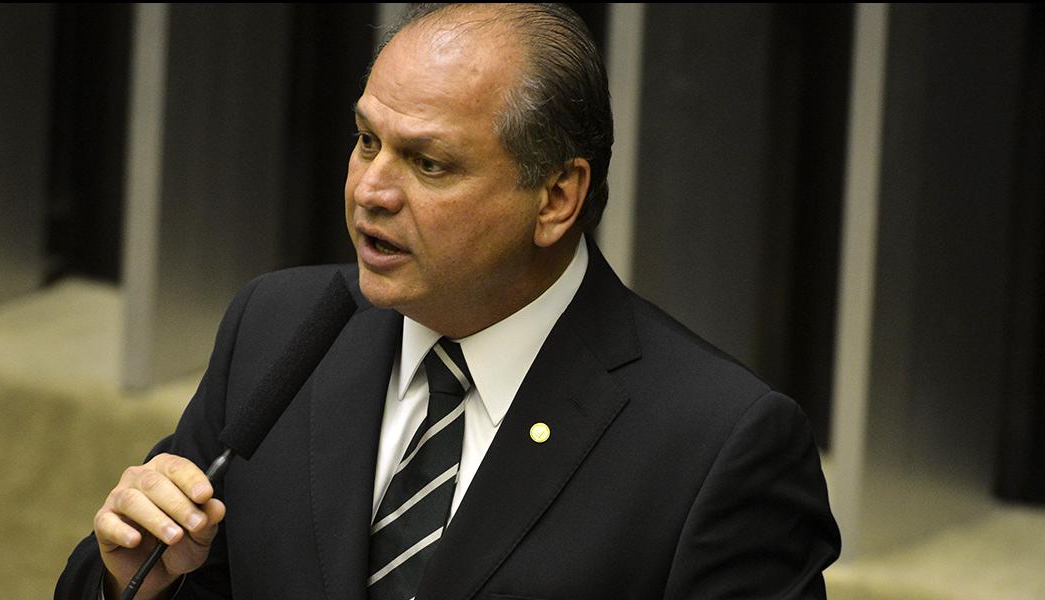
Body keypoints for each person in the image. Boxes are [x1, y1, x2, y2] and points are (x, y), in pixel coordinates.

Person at [57, 4, 841, 599]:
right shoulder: (280, 329)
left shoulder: (719, 447)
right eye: (366, 141)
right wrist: (135, 581)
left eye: (428, 164)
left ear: (557, 197)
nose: (369, 191)